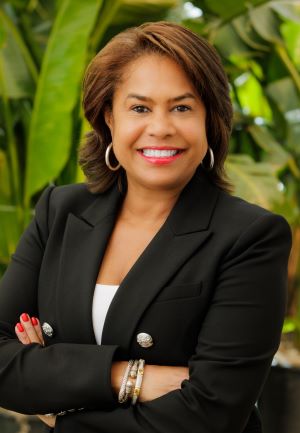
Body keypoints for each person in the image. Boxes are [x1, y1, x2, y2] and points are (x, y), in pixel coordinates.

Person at [0, 20, 292, 433]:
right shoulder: (61, 211)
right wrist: (129, 376)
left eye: (182, 107)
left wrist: (60, 410)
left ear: (210, 120)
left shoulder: (250, 237)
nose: (160, 127)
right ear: (109, 118)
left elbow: (211, 414)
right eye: (139, 108)